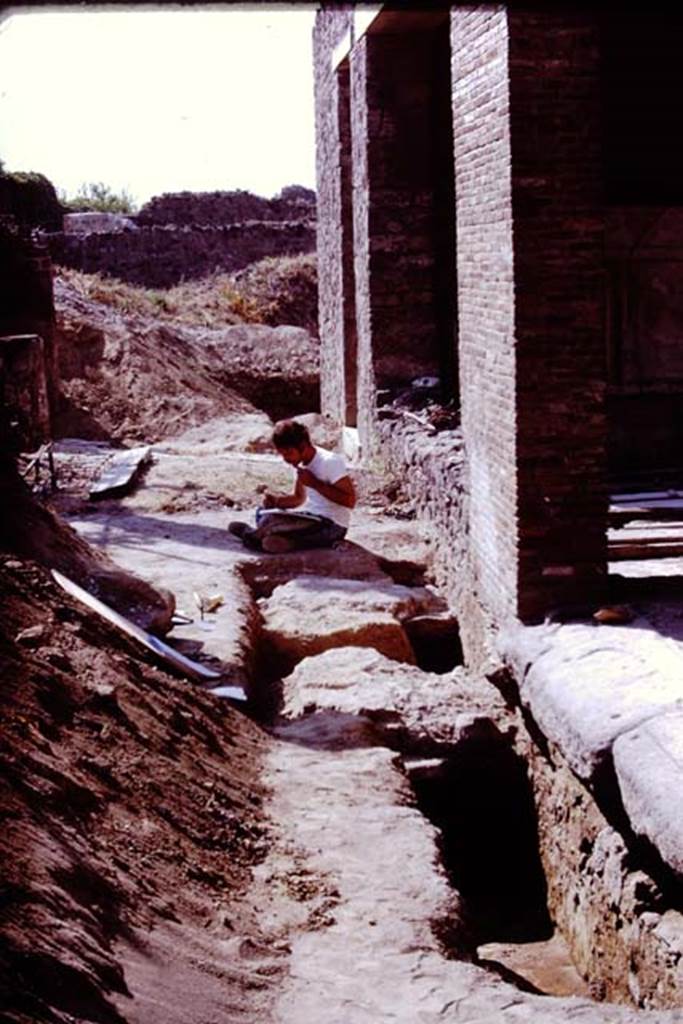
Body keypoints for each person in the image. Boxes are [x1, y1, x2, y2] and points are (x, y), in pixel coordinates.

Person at [229, 419, 356, 554]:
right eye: (282, 454)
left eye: (288, 453)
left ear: (302, 446)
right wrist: (276, 502)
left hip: (332, 525)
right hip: (310, 518)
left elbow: (350, 501)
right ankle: (280, 540)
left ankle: (256, 536)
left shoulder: (329, 461)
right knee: (262, 513)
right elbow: (298, 498)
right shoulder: (301, 463)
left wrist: (315, 483)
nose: (286, 459)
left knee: (276, 526)